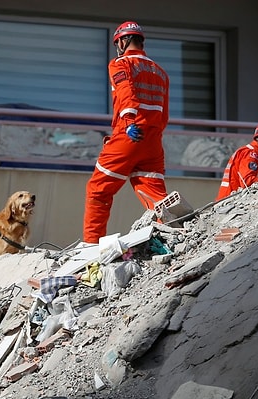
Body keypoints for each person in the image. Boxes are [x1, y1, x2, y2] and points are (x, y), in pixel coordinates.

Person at [82, 21, 170, 244]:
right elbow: (164, 113)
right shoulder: (160, 72)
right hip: (153, 141)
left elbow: (125, 92)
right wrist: (154, 134)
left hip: (129, 134)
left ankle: (91, 245)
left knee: (98, 190)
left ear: (122, 41)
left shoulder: (120, 64)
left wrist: (130, 121)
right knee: (156, 196)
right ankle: (171, 235)